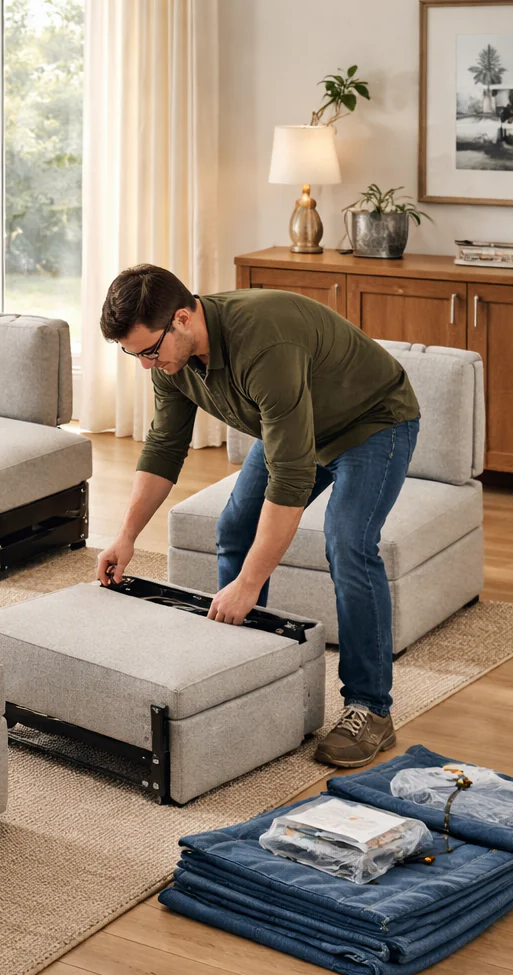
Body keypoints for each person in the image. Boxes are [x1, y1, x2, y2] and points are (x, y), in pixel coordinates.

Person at [94, 264, 421, 769]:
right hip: (296, 425)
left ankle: (370, 709)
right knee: (234, 528)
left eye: (149, 351)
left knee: (348, 542)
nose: (144, 365)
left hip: (372, 421)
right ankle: (245, 677)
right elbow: (163, 447)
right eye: (132, 354)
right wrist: (126, 537)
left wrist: (249, 583)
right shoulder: (172, 363)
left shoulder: (264, 343)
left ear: (182, 319)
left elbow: (289, 478)